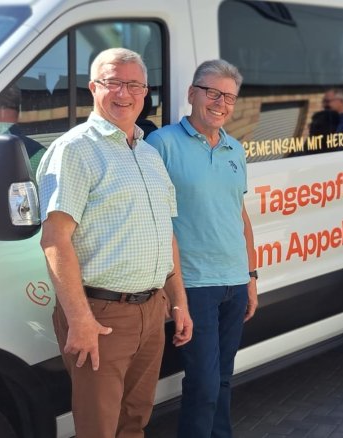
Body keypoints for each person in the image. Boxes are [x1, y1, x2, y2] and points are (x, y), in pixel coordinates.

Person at [37, 47, 192, 438]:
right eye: (113, 82)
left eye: (134, 84)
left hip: (151, 311)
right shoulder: (74, 150)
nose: (124, 93)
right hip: (102, 316)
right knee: (99, 429)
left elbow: (165, 234)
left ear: (145, 92)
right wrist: (80, 320)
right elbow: (55, 240)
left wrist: (179, 302)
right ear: (93, 87)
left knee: (135, 421)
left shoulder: (148, 153)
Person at [145, 59, 257, 438]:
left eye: (229, 97)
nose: (220, 103)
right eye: (212, 92)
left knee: (224, 379)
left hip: (234, 281)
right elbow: (155, 221)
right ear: (192, 93)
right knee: (204, 384)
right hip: (194, 285)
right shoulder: (161, 144)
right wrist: (170, 290)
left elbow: (239, 216)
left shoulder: (234, 149)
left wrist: (252, 277)